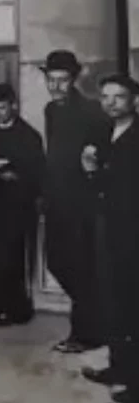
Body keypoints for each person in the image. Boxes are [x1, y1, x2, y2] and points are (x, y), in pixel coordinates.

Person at [40, 50, 111, 353]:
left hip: (83, 203)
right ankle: (98, 321)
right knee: (56, 261)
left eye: (61, 80)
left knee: (83, 267)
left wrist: (95, 161)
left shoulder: (93, 111)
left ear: (74, 79)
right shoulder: (50, 111)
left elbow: (110, 154)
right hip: (56, 200)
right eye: (50, 80)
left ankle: (86, 334)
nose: (55, 86)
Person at [79, 75, 139, 402]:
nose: (111, 102)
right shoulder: (103, 134)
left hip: (134, 232)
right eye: (105, 97)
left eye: (119, 97)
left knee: (133, 305)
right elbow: (103, 184)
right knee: (114, 302)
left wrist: (95, 171)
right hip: (109, 227)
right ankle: (119, 368)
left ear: (135, 101)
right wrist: (90, 170)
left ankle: (135, 382)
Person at [0, 84, 44, 326]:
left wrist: (13, 177)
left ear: (14, 105)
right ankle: (9, 307)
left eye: (2, 108)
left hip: (16, 204)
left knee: (11, 256)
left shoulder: (29, 136)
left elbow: (37, 174)